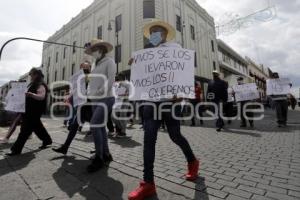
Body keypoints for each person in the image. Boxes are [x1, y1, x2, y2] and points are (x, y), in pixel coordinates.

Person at [127, 20, 199, 200]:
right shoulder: (145, 53)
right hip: (150, 102)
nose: (154, 35)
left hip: (169, 102)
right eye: (151, 32)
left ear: (165, 34)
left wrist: (181, 93)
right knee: (149, 139)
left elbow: (182, 73)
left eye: (157, 31)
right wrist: (135, 65)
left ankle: (192, 161)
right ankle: (148, 183)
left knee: (175, 136)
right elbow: (143, 76)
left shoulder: (175, 49)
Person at [85, 39, 116, 173]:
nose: (92, 53)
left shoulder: (109, 61)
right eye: (91, 51)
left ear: (101, 50)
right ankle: (106, 154)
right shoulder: (93, 64)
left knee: (94, 125)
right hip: (94, 99)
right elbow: (92, 81)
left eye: (94, 50)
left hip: (106, 97)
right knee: (101, 127)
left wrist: (101, 90)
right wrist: (89, 93)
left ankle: (99, 158)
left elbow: (111, 79)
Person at [6, 68, 52, 156]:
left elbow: (41, 97)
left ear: (36, 75)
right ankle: (47, 140)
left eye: (31, 74)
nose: (30, 76)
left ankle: (16, 150)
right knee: (37, 127)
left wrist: (31, 94)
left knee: (25, 130)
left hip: (34, 111)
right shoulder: (32, 84)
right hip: (29, 110)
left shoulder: (41, 85)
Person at [52, 62, 92, 155]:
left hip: (90, 106)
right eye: (82, 67)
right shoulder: (79, 79)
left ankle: (103, 150)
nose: (84, 68)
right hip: (81, 106)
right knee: (74, 126)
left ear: (90, 68)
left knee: (97, 127)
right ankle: (65, 147)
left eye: (86, 67)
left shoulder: (92, 77)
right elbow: (75, 91)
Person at [112, 73, 130, 138]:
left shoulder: (127, 83)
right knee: (113, 116)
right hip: (117, 102)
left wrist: (125, 94)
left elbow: (130, 92)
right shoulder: (116, 83)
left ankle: (123, 132)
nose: (117, 79)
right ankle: (120, 128)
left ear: (122, 78)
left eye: (118, 78)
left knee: (122, 116)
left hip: (125, 101)